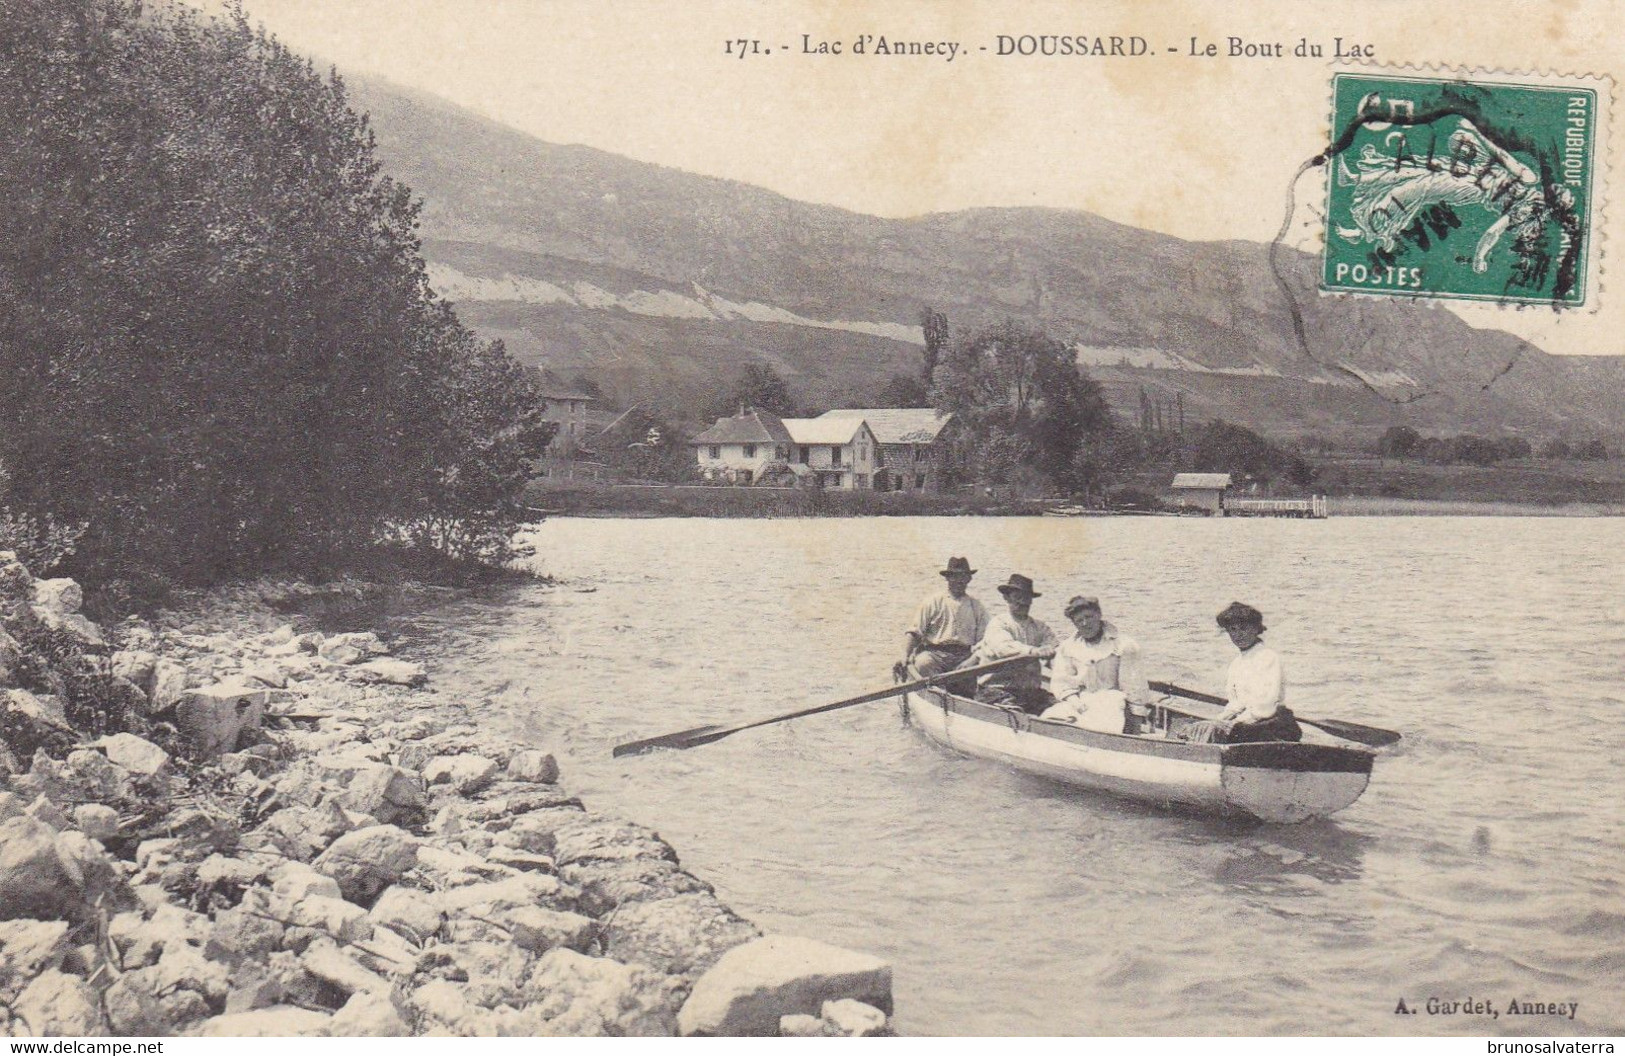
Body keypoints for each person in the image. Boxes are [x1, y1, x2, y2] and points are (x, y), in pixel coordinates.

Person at [1040, 596, 1151, 734]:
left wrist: (1136, 724)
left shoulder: (1124, 646)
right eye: (1079, 620)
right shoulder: (1067, 648)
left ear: (1099, 614)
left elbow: (1134, 687)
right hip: (1080, 702)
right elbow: (1062, 684)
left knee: (1099, 729)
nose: (1085, 623)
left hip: (1113, 704)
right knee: (1048, 721)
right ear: (1074, 624)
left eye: (1089, 616)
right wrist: (1077, 703)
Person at [958, 574, 1058, 714]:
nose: (1023, 602)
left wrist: (1050, 650)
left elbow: (1054, 644)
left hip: (1030, 693)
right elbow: (1004, 648)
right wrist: (1035, 651)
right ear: (1007, 598)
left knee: (1061, 708)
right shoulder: (998, 624)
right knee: (1013, 712)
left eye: (1027, 598)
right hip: (996, 691)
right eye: (1017, 597)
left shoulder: (1039, 626)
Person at [1204, 602, 1302, 743]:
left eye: (1243, 628)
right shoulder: (1236, 664)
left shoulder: (1268, 657)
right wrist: (1219, 720)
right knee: (1209, 729)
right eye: (1232, 629)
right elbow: (1236, 704)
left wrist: (1236, 723)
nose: (1238, 634)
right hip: (1250, 723)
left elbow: (1266, 705)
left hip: (1273, 725)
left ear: (1256, 629)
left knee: (1226, 735)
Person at [894, 556, 990, 684]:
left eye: (963, 576)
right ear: (947, 578)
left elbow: (985, 641)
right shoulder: (933, 602)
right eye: (954, 576)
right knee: (923, 663)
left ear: (969, 579)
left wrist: (971, 661)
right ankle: (936, 695)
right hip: (936, 655)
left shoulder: (977, 607)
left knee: (980, 674)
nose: (959, 580)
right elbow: (915, 632)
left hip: (964, 657)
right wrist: (905, 655)